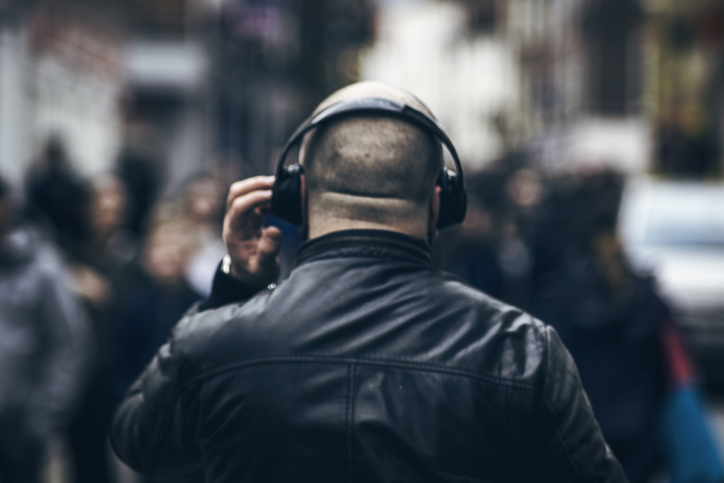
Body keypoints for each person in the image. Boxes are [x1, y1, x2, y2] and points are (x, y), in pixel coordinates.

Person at [110, 81, 627, 482]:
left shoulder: (214, 341)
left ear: (298, 193)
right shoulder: (522, 351)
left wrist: (233, 288)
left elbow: (138, 442)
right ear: (440, 203)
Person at [0, 174, 88, 483]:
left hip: (18, 424)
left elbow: (69, 342)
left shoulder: (42, 267)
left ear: (8, 207)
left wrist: (42, 416)